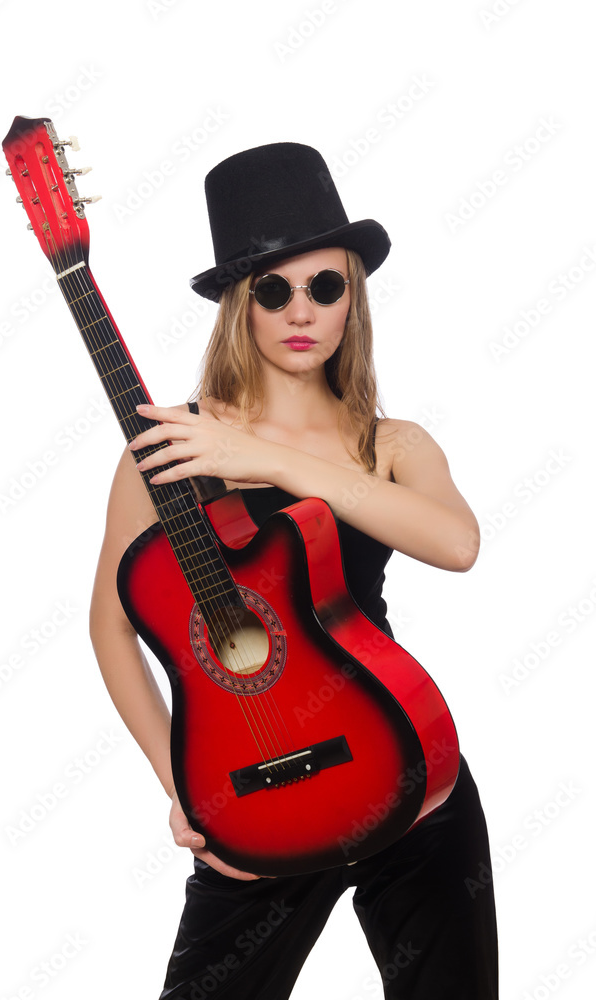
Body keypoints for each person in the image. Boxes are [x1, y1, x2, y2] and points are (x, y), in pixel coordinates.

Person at [89, 143, 498, 999]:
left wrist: (272, 461)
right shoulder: (171, 450)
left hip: (404, 765)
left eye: (326, 286)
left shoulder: (392, 445)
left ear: (356, 295)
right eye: (273, 290)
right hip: (252, 788)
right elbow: (111, 626)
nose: (301, 310)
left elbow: (457, 545)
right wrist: (185, 788)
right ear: (241, 304)